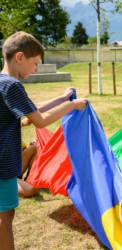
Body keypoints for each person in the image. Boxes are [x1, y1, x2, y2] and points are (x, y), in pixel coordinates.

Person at [0, 31, 88, 250]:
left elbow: (31, 107)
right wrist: (71, 106)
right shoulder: (12, 85)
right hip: (2, 166)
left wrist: (61, 98)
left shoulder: (3, 83)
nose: (37, 69)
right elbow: (39, 120)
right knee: (5, 221)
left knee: (5, 215)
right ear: (19, 57)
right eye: (36, 63)